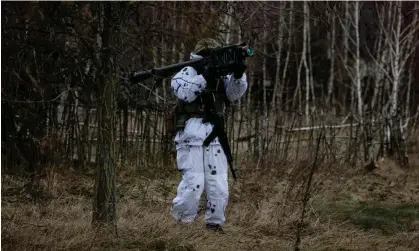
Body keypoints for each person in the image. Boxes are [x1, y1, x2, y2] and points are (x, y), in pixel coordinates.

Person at [169, 38, 248, 231]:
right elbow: (185, 93)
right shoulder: (186, 72)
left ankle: (214, 223)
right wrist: (205, 75)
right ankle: (182, 222)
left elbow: (234, 94)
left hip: (215, 134)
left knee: (218, 183)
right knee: (193, 183)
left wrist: (238, 75)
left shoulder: (223, 74)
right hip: (191, 135)